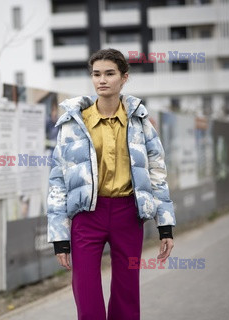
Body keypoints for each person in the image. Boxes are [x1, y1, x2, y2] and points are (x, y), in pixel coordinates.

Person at [46, 48, 176, 320]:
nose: (101, 80)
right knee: (85, 289)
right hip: (86, 216)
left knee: (127, 290)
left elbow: (156, 171)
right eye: (96, 74)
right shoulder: (73, 124)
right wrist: (59, 236)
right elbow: (58, 179)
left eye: (109, 73)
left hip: (128, 214)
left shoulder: (140, 122)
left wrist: (165, 225)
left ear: (124, 77)